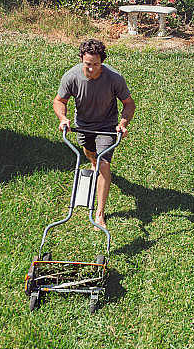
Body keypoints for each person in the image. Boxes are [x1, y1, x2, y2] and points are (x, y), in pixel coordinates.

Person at [53, 39, 136, 230]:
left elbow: (129, 104)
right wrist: (63, 118)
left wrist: (122, 123)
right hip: (82, 125)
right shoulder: (71, 77)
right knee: (90, 155)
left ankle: (99, 213)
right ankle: (93, 164)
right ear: (82, 59)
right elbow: (59, 100)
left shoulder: (114, 78)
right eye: (87, 64)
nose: (91, 69)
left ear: (102, 61)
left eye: (95, 64)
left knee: (103, 163)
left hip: (106, 124)